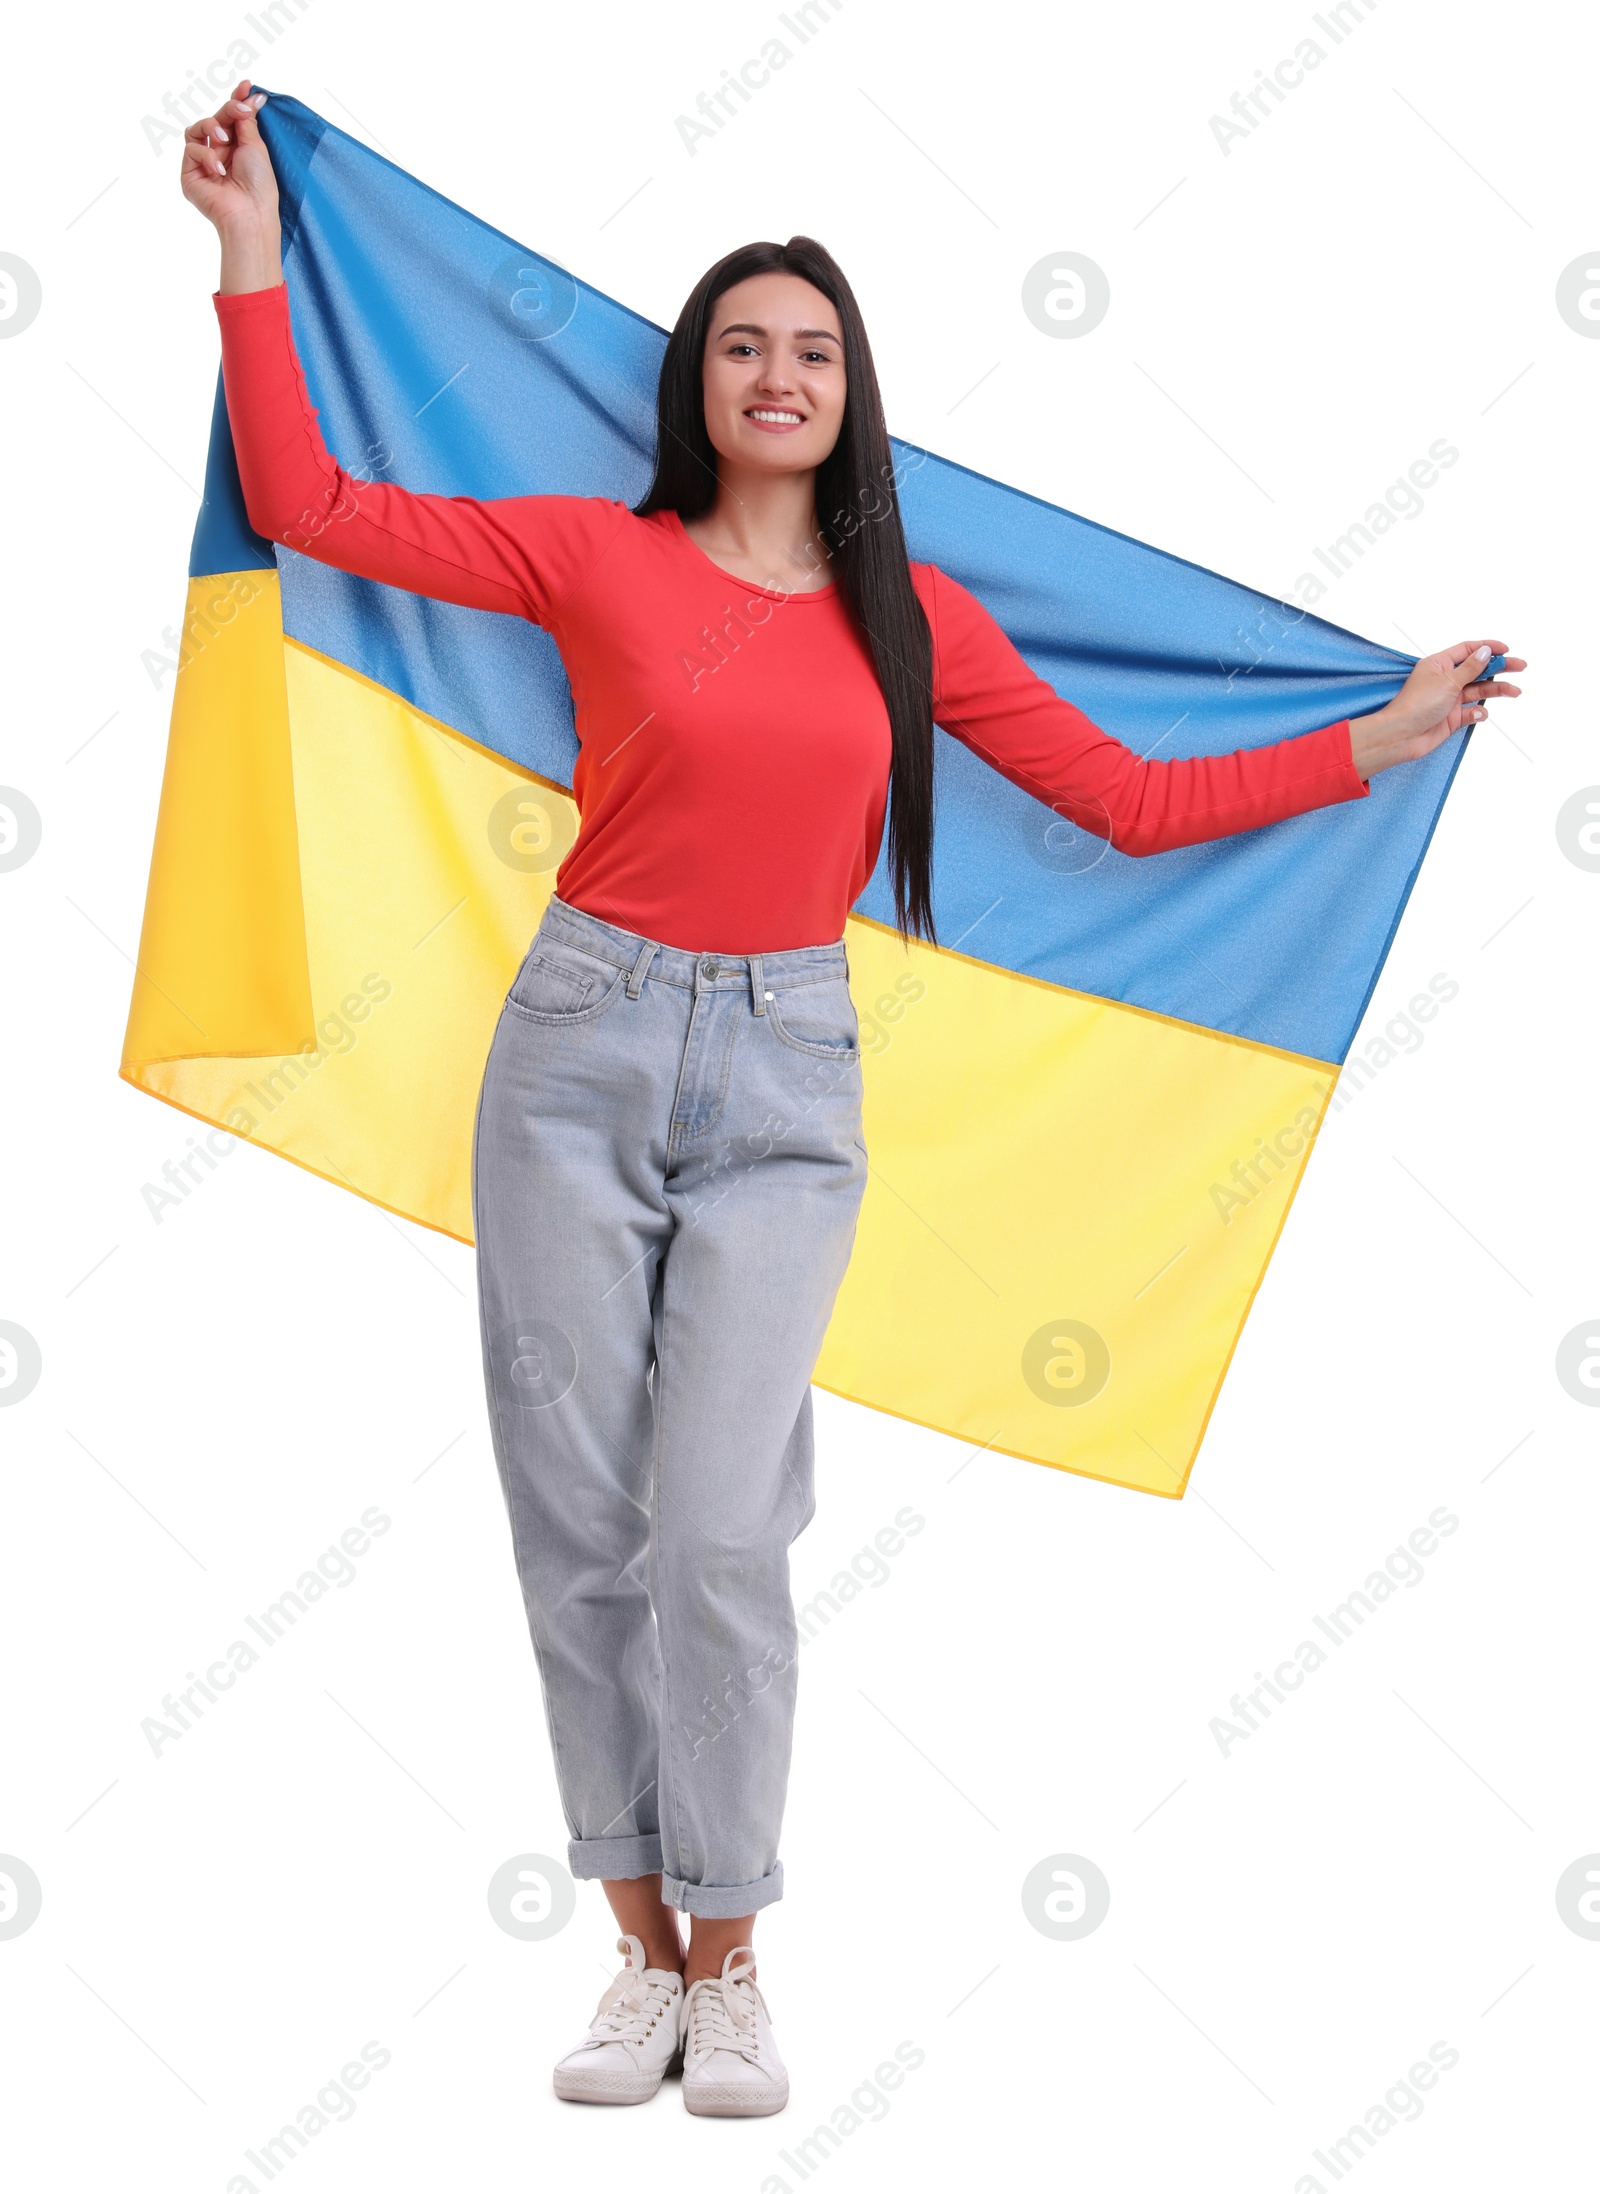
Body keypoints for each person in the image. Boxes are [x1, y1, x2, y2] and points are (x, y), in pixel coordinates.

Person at [181, 82, 1524, 2121]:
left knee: (716, 1522)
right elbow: (313, 509)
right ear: (697, 385)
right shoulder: (590, 557)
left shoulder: (909, 624)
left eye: (810, 348)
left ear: (849, 391)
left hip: (789, 1080)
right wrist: (254, 256)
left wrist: (1381, 735)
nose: (776, 372)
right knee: (575, 1525)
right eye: (742, 343)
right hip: (571, 1054)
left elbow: (1129, 798)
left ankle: (732, 1954)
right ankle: (636, 1957)